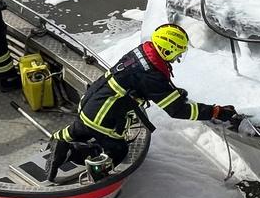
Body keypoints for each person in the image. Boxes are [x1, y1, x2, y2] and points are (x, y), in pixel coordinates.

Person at [44, 24, 242, 182]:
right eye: (177, 53)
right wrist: (215, 112)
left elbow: (142, 83)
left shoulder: (143, 53)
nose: (178, 58)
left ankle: (59, 141)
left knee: (80, 129)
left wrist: (171, 91)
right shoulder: (152, 74)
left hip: (91, 102)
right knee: (118, 150)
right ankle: (75, 154)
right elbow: (177, 110)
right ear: (167, 49)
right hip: (103, 117)